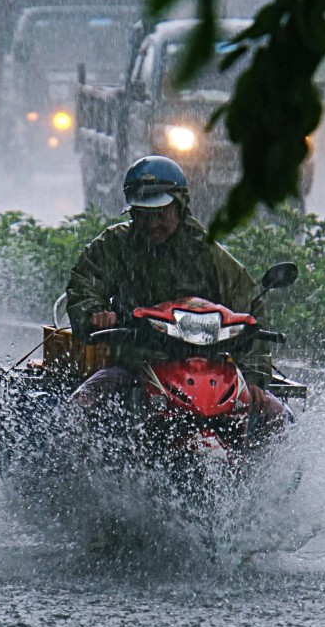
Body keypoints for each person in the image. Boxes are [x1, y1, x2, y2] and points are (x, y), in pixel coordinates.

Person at [64, 155, 286, 426]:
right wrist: (94, 313)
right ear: (132, 213)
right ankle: (70, 466)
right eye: (143, 214)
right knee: (78, 408)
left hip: (208, 368)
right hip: (135, 365)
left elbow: (249, 309)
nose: (152, 223)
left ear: (180, 207)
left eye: (160, 213)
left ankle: (267, 468)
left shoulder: (207, 253)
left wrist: (253, 378)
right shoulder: (115, 245)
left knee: (280, 418)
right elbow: (84, 284)